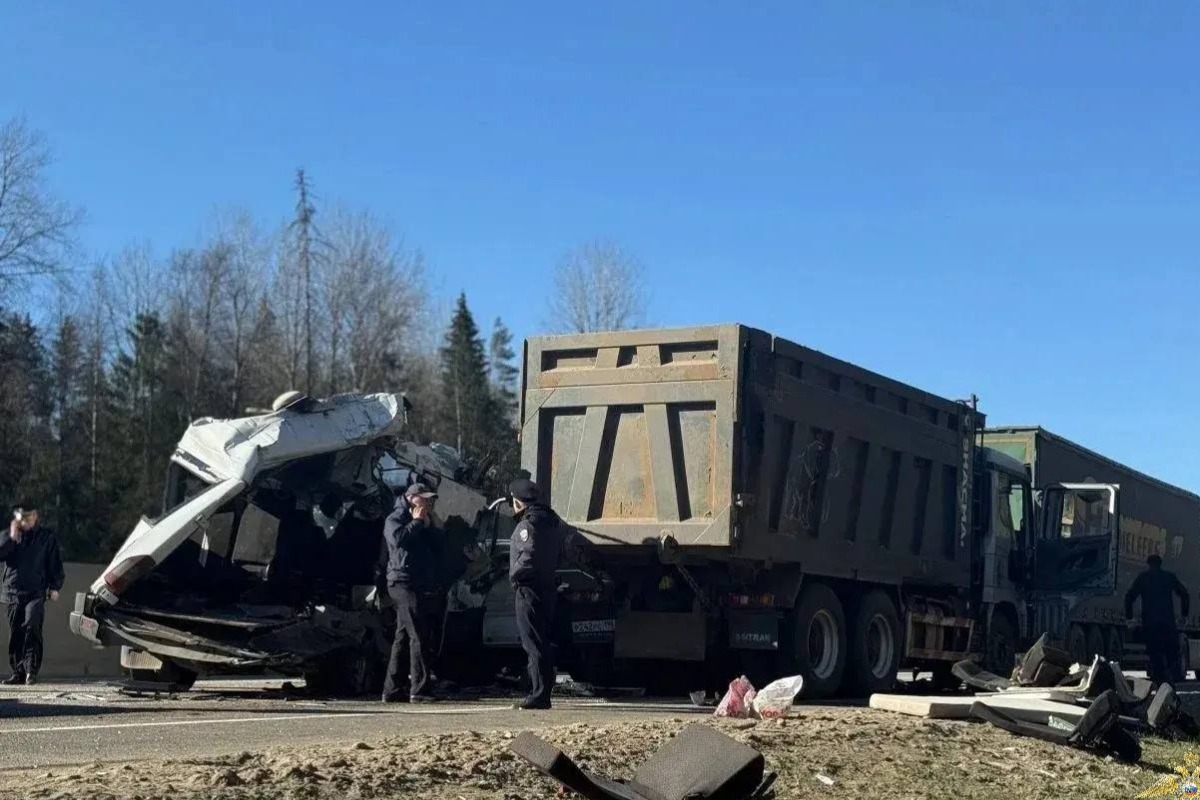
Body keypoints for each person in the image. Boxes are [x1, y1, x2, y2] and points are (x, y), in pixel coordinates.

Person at [508, 477, 583, 711]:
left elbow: (527, 555)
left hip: (529, 588)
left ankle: (539, 694)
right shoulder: (552, 522)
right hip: (547, 586)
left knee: (533, 642)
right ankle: (541, 690)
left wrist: (516, 576)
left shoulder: (527, 525)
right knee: (542, 640)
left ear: (518, 501)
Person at [381, 483, 439, 703]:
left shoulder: (424, 521)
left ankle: (393, 688)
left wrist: (428, 525)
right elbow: (399, 541)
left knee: (403, 635)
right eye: (423, 499)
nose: (427, 503)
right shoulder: (394, 518)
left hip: (415, 580)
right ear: (411, 498)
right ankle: (420, 689)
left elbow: (434, 546)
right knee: (419, 634)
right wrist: (416, 523)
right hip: (401, 581)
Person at [0, 501, 65, 685]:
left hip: (35, 592)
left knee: (32, 626)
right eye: (22, 516)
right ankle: (18, 672)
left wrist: (55, 586)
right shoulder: (11, 536)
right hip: (12, 592)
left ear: (35, 516)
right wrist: (11, 536)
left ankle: (31, 671)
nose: (26, 520)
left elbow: (54, 563)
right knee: (16, 632)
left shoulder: (46, 537)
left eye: (29, 516)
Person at [1125, 553, 1190, 685]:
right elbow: (1184, 595)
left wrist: (1129, 618)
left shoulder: (1143, 578)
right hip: (1168, 625)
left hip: (1150, 625)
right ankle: (1170, 683)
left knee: (1155, 656)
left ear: (1148, 564)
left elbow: (1129, 598)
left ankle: (1159, 682)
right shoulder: (1169, 577)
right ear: (1160, 564)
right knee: (1171, 656)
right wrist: (1184, 615)